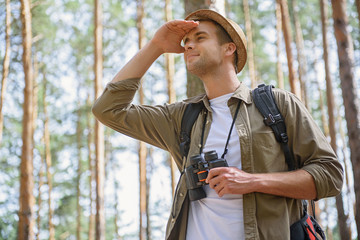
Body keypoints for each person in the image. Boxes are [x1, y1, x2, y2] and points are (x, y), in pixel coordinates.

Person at [92, 9, 343, 240]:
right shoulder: (181, 117)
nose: (189, 44)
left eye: (200, 38)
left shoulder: (277, 104)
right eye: (186, 40)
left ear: (229, 48)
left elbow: (330, 176)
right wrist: (156, 46)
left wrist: (252, 181)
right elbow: (108, 110)